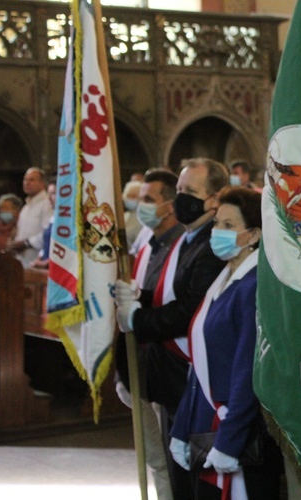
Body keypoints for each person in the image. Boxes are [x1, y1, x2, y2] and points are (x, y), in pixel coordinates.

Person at [115, 158, 229, 499]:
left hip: (191, 376)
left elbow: (191, 309)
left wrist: (138, 318)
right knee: (176, 469)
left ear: (215, 198)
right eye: (179, 190)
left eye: (190, 192)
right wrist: (140, 296)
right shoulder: (190, 236)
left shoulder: (211, 242)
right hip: (171, 375)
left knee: (192, 478)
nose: (182, 199)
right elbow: (172, 294)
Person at [170, 187, 282, 499]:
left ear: (254, 234)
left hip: (236, 434)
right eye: (217, 223)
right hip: (208, 427)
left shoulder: (254, 285)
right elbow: (199, 366)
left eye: (229, 226)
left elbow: (247, 372)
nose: (217, 232)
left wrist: (229, 442)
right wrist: (181, 428)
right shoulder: (224, 278)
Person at [114, 169, 184, 500]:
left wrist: (138, 312)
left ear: (169, 205)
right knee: (156, 460)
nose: (141, 205)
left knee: (173, 459)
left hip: (172, 369)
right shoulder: (148, 246)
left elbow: (178, 310)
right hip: (145, 365)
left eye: (148, 199)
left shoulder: (182, 246)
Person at [8, 167, 53, 267]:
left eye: (32, 180)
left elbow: (48, 233)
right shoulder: (26, 207)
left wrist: (26, 243)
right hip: (22, 261)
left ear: (42, 183)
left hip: (37, 261)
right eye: (25, 179)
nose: (27, 183)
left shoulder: (47, 203)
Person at [0, 194, 23, 261]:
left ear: (17, 211)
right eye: (0, 208)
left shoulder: (20, 227)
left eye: (5, 208)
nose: (2, 210)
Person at [30, 179, 57, 269]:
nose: (49, 198)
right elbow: (46, 243)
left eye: (53, 194)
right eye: (48, 194)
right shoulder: (53, 217)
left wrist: (45, 263)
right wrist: (39, 259)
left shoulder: (68, 220)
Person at [122, 179, 143, 249]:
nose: (130, 199)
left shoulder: (143, 219)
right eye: (128, 196)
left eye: (133, 196)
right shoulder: (123, 216)